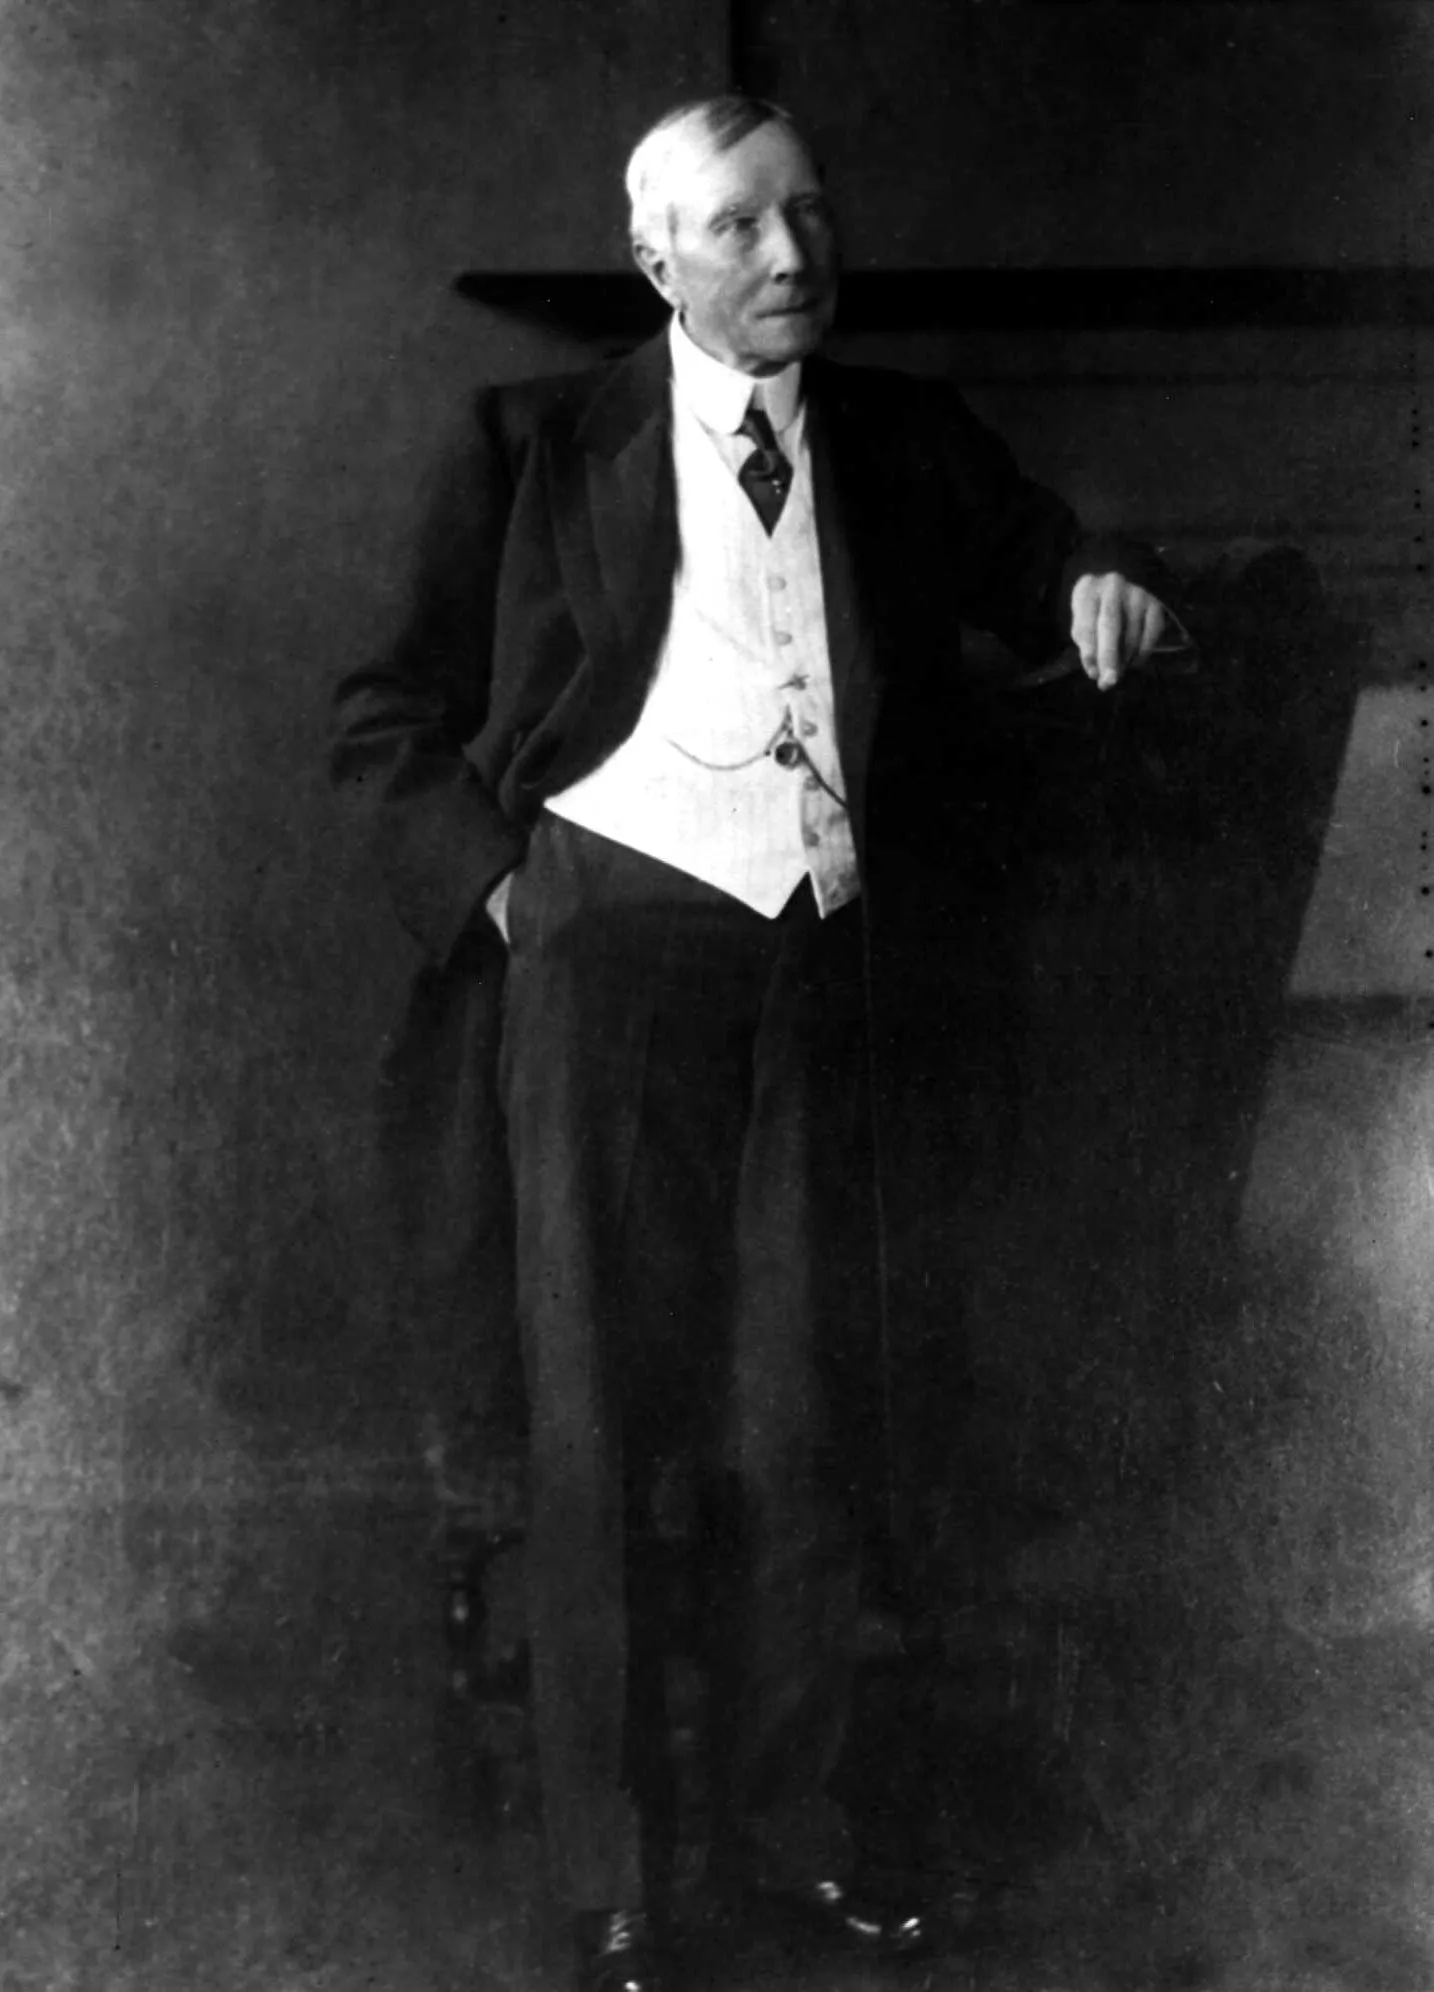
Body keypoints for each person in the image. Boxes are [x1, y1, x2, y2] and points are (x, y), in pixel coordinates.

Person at [332, 94, 1175, 1992]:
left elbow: (1051, 554)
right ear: (655, 259)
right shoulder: (531, 443)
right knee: (600, 1420)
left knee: (801, 1418)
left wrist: (1093, 582)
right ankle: (614, 1874)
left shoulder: (904, 437)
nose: (790, 255)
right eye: (736, 226)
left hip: (824, 966)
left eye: (806, 215)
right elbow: (380, 712)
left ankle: (791, 1837)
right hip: (600, 963)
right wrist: (507, 898)